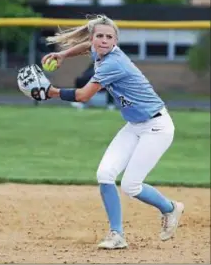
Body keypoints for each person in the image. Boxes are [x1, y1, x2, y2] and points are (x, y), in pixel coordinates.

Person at [41, 14, 184, 249]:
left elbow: (83, 96)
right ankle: (116, 235)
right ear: (94, 38)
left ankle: (170, 208)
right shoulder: (98, 50)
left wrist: (51, 92)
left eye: (109, 37)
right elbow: (88, 46)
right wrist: (64, 54)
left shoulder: (113, 63)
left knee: (131, 186)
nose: (104, 41)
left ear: (115, 41)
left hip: (157, 127)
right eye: (100, 36)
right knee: (105, 174)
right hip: (134, 125)